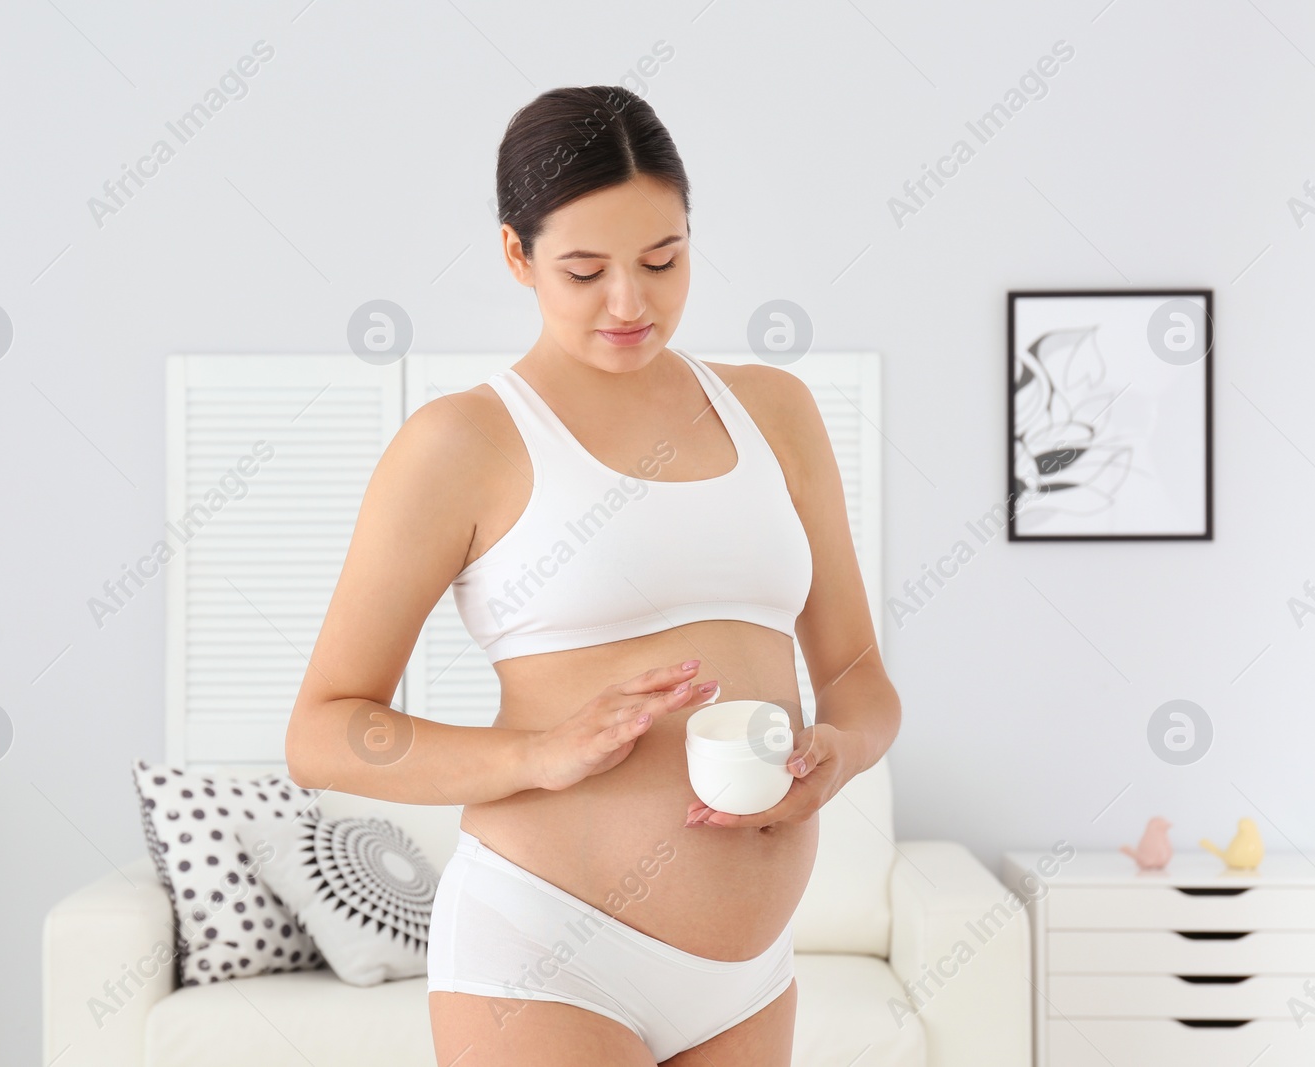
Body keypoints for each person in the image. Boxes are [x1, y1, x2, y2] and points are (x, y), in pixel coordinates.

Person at [285, 84, 900, 1067]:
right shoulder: (462, 441)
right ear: (515, 256)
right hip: (546, 951)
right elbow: (322, 732)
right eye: (584, 270)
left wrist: (839, 752)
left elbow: (862, 680)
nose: (632, 302)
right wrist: (536, 754)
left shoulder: (774, 411)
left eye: (663, 260)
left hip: (747, 978)